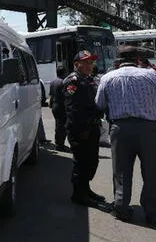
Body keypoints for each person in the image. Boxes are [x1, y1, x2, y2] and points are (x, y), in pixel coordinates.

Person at [95, 46, 156, 225]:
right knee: (153, 172)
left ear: (118, 61)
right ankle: (154, 214)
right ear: (138, 59)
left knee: (121, 170)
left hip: (120, 129)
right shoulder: (151, 75)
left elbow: (99, 104)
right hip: (148, 129)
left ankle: (121, 209)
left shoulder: (107, 78)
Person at [63, 50, 106, 206]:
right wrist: (81, 130)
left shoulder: (87, 79)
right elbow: (72, 109)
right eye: (86, 62)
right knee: (81, 162)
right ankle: (78, 195)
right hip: (81, 130)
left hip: (91, 127)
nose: (90, 65)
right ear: (77, 64)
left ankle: (86, 190)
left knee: (91, 161)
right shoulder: (73, 81)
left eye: (91, 62)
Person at [49, 65, 70, 152]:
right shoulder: (63, 82)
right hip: (61, 107)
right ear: (64, 73)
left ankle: (58, 143)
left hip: (55, 105)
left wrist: (50, 103)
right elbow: (67, 95)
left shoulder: (53, 82)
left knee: (58, 125)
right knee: (62, 127)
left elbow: (51, 95)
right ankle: (60, 145)